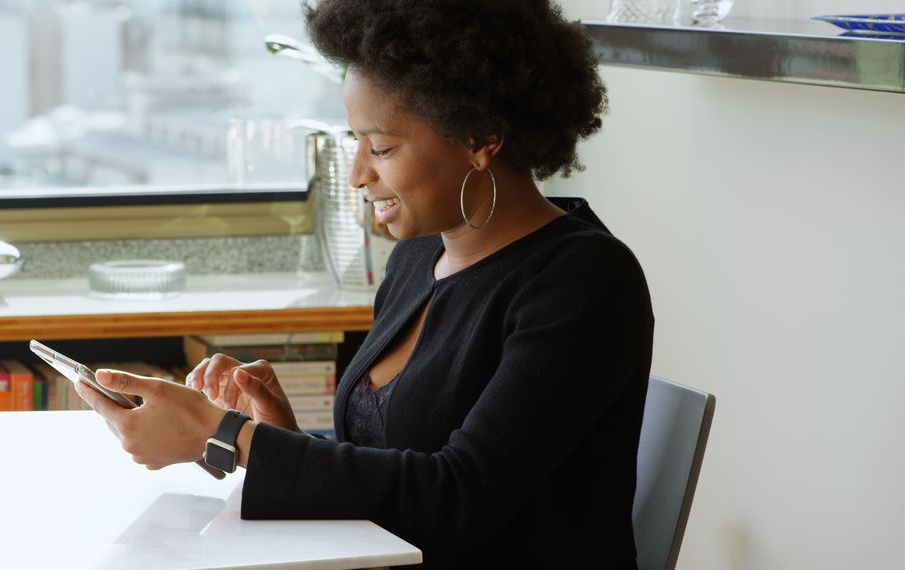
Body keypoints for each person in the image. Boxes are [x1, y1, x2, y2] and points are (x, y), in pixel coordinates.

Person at [75, 0, 654, 567]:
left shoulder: (583, 282)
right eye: (356, 143)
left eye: (380, 147)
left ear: (480, 137)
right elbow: (399, 477)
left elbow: (457, 500)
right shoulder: (417, 258)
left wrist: (223, 433)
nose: (358, 174)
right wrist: (281, 433)